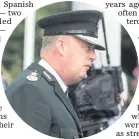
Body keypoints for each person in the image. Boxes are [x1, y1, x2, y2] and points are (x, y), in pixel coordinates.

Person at [6, 10, 105, 138]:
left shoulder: (53, 90)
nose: (93, 56)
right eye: (87, 48)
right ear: (61, 46)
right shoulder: (30, 90)